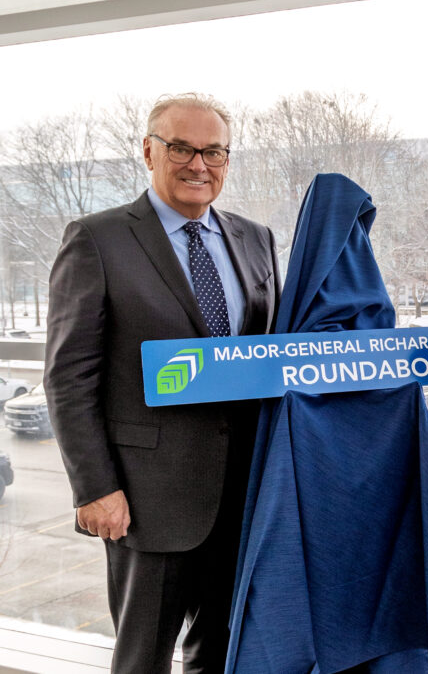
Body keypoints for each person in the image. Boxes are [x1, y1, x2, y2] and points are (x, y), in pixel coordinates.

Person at [45, 93, 280, 673]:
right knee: (142, 661)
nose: (198, 165)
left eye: (213, 152)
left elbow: (270, 353)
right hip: (147, 502)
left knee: (227, 656)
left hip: (246, 496)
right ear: (149, 151)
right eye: (181, 148)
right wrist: (94, 488)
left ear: (227, 160)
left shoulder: (256, 238)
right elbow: (69, 377)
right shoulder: (97, 239)